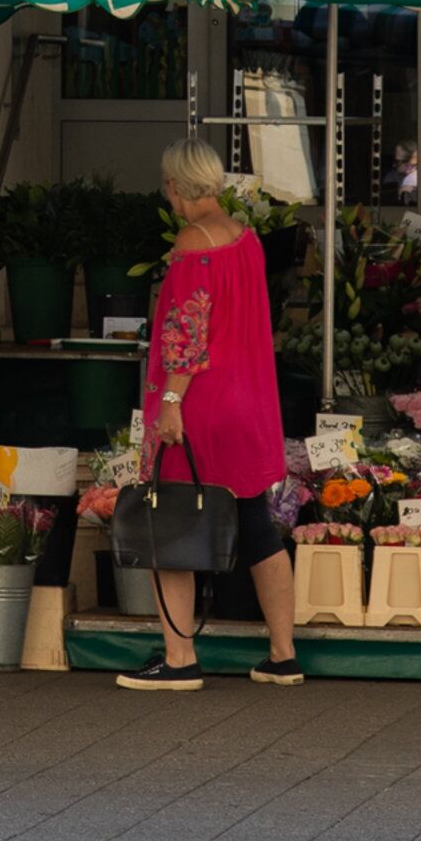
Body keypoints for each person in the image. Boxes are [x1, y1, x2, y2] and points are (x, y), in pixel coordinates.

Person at [126, 139, 301, 692]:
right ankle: (282, 654)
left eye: (166, 184)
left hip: (200, 406)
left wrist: (171, 403)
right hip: (249, 404)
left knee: (171, 524)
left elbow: (186, 334)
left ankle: (179, 660)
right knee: (255, 526)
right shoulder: (247, 239)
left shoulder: (190, 244)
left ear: (177, 185)